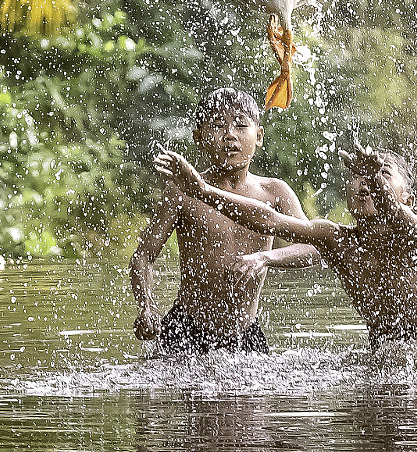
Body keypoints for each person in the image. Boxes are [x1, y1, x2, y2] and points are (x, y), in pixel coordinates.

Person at [152, 142, 417, 349]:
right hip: (384, 341)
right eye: (358, 175)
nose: (365, 183)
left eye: (383, 175)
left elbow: (392, 211)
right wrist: (203, 190)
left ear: (407, 198)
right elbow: (270, 220)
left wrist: (375, 179)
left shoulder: (412, 232)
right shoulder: (334, 239)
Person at [129, 88, 319, 355]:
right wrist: (146, 307)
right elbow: (144, 256)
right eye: (218, 125)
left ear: (260, 135)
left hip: (246, 332)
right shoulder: (182, 190)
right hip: (185, 328)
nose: (230, 134)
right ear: (198, 138)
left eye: (241, 125)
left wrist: (266, 258)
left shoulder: (274, 192)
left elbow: (313, 248)